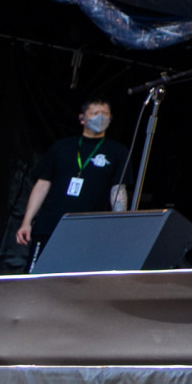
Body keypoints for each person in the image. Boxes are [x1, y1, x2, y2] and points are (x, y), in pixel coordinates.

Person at [14, 96, 127, 267]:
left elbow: (118, 190)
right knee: (36, 276)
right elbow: (43, 184)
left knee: (74, 280)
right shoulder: (62, 147)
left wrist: (117, 226)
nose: (100, 117)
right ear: (82, 118)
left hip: (89, 230)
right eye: (95, 113)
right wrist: (26, 222)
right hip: (50, 225)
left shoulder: (118, 152)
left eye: (105, 113)